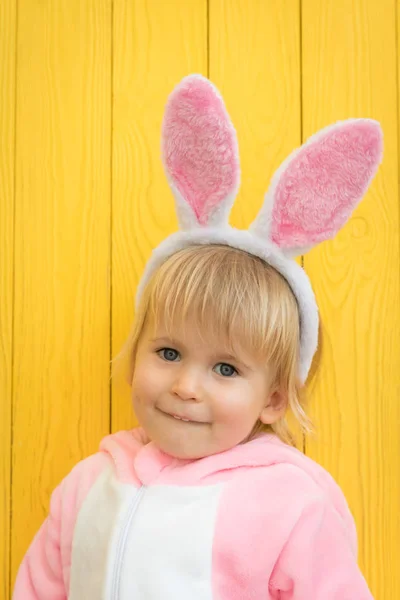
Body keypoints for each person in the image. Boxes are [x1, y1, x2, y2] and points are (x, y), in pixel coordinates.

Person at [13, 74, 382, 599]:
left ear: (274, 399)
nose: (187, 385)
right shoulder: (89, 485)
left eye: (226, 368)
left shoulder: (290, 504)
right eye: (168, 352)